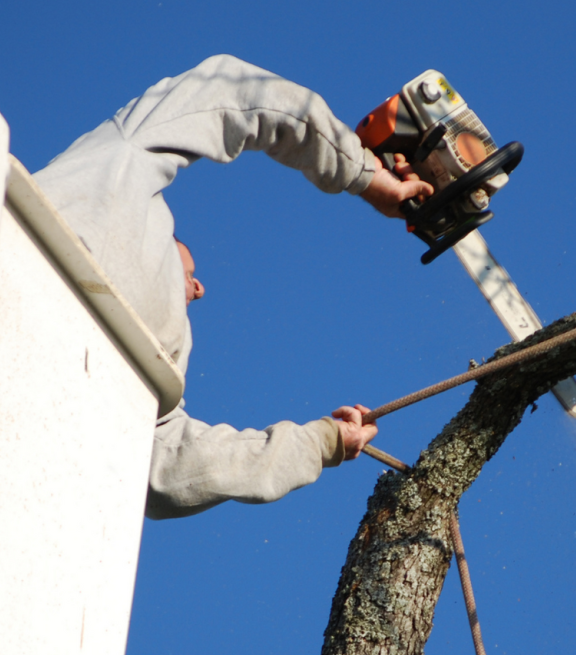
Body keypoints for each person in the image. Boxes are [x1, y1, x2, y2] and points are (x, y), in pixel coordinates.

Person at [35, 55, 430, 519]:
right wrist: (364, 175)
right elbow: (233, 92)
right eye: (189, 266)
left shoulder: (158, 388)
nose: (200, 289)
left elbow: (173, 473)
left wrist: (320, 441)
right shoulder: (116, 173)